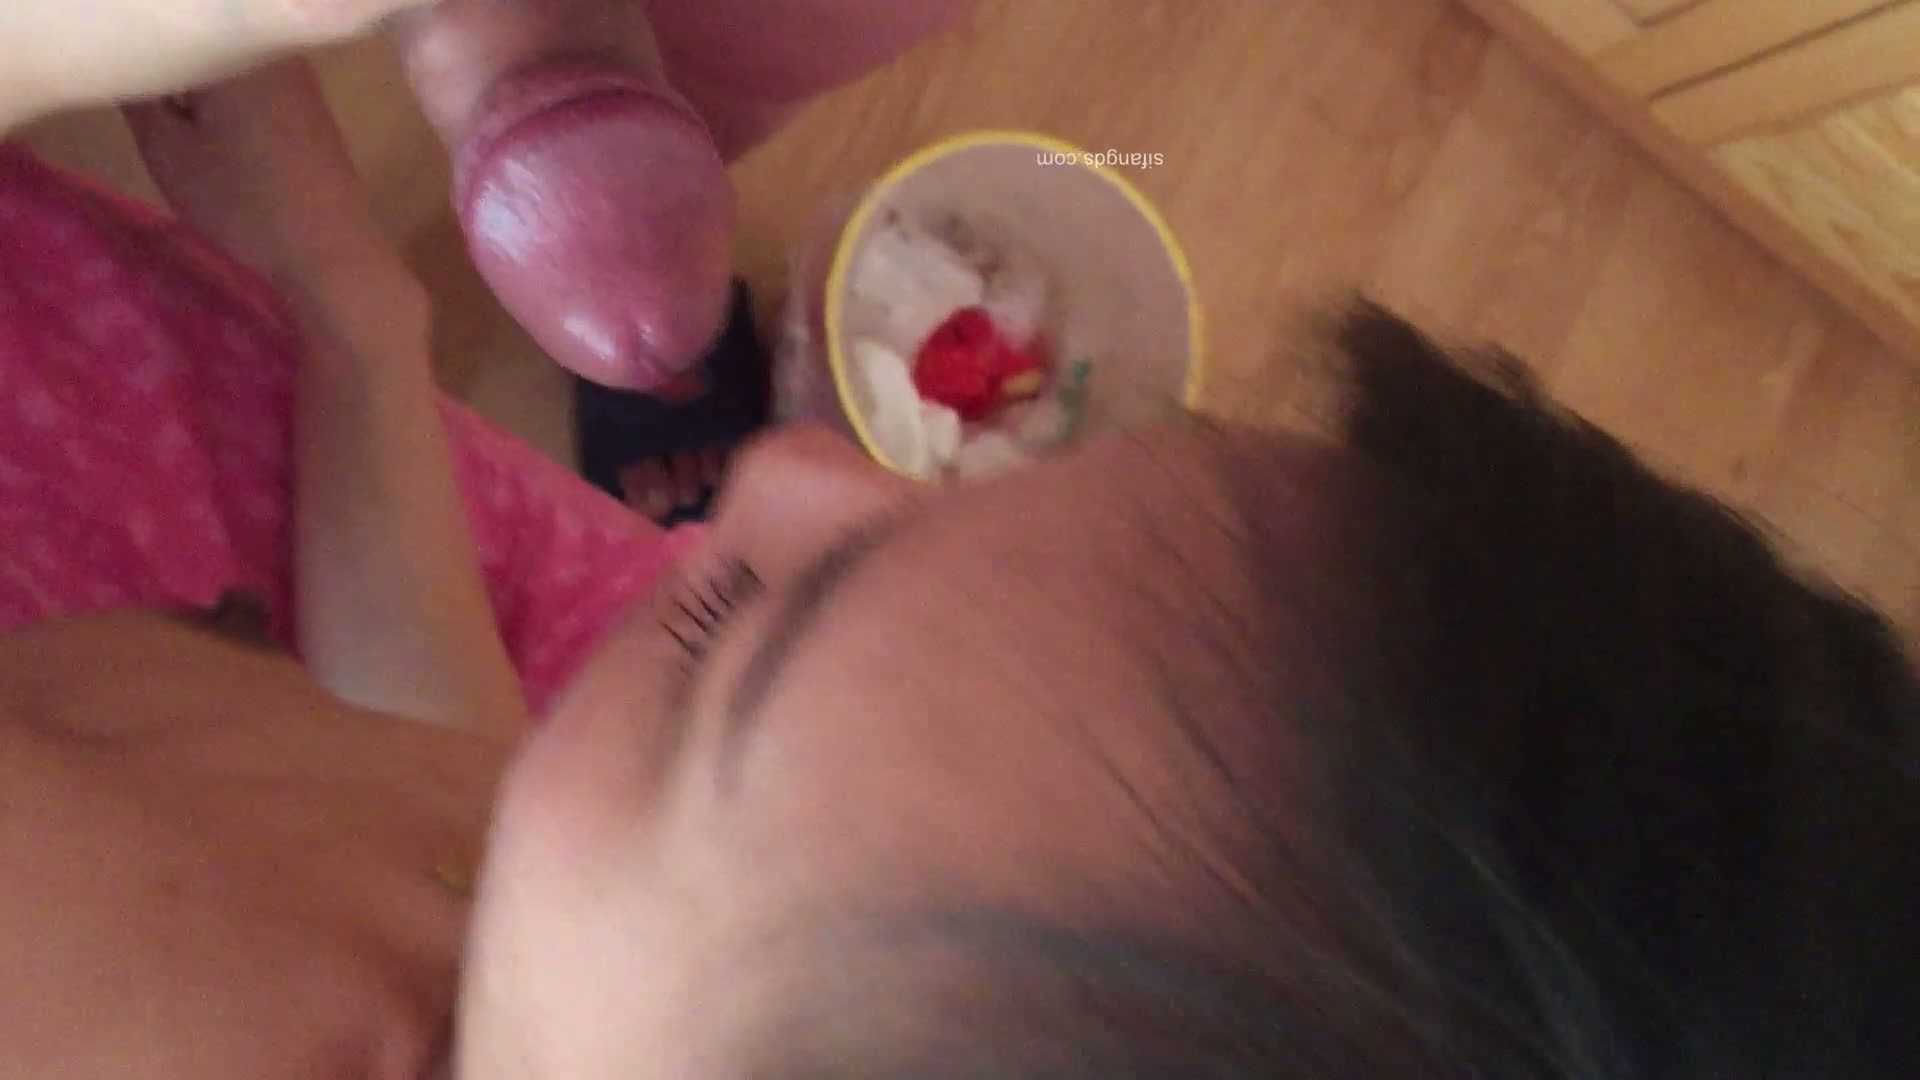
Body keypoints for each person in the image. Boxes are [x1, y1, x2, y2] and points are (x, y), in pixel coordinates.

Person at [2, 12, 1915, 1080]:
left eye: (731, 640)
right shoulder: (559, 960)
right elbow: (448, 769)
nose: (792, 467)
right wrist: (350, 316)